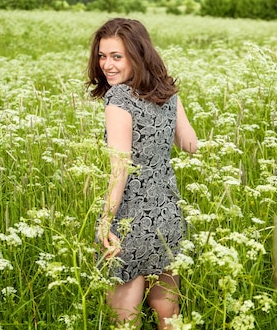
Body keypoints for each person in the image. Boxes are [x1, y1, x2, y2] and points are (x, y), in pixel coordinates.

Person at [86, 18, 198, 329]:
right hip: (168, 214)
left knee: (124, 323)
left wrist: (106, 221)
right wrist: (171, 104)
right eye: (102, 56)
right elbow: (190, 145)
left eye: (116, 56)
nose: (107, 65)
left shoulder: (118, 99)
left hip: (131, 221)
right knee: (170, 317)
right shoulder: (168, 93)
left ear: (137, 54)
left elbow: (119, 169)